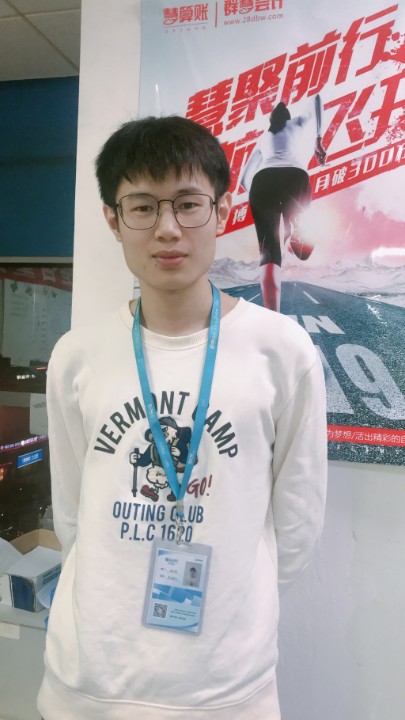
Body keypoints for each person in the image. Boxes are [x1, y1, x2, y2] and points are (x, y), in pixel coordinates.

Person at [37, 115, 327, 720]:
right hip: (89, 682)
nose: (167, 228)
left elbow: (297, 523)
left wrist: (233, 611)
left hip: (225, 689)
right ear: (113, 219)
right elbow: (72, 513)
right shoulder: (77, 355)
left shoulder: (282, 351)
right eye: (143, 207)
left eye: (189, 204)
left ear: (222, 212)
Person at [240, 97, 327, 312]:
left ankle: (272, 316)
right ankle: (294, 231)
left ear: (271, 120)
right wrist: (318, 139)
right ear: (287, 116)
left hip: (262, 181)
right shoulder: (297, 123)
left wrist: (260, 200)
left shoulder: (263, 138)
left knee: (269, 251)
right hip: (295, 177)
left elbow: (243, 180)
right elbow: (316, 99)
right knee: (302, 247)